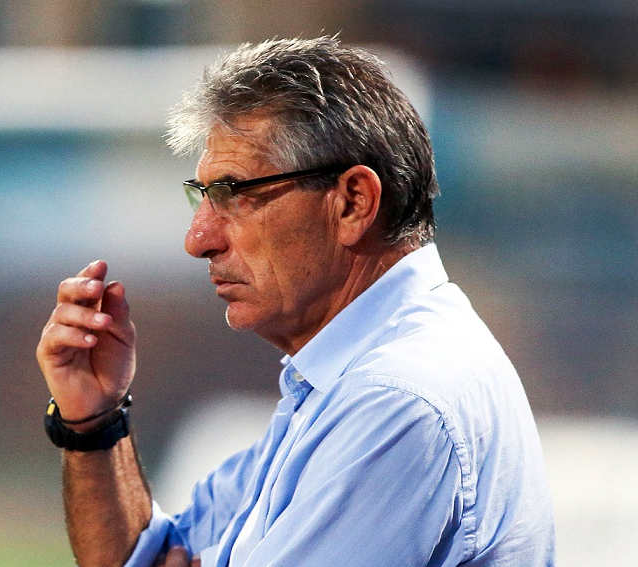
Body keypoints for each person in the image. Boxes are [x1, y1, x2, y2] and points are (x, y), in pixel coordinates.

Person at [35, 36, 556, 567]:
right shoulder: (345, 378)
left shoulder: (396, 400)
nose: (198, 239)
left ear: (353, 202)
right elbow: (149, 556)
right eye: (204, 196)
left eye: (235, 194)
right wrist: (95, 423)